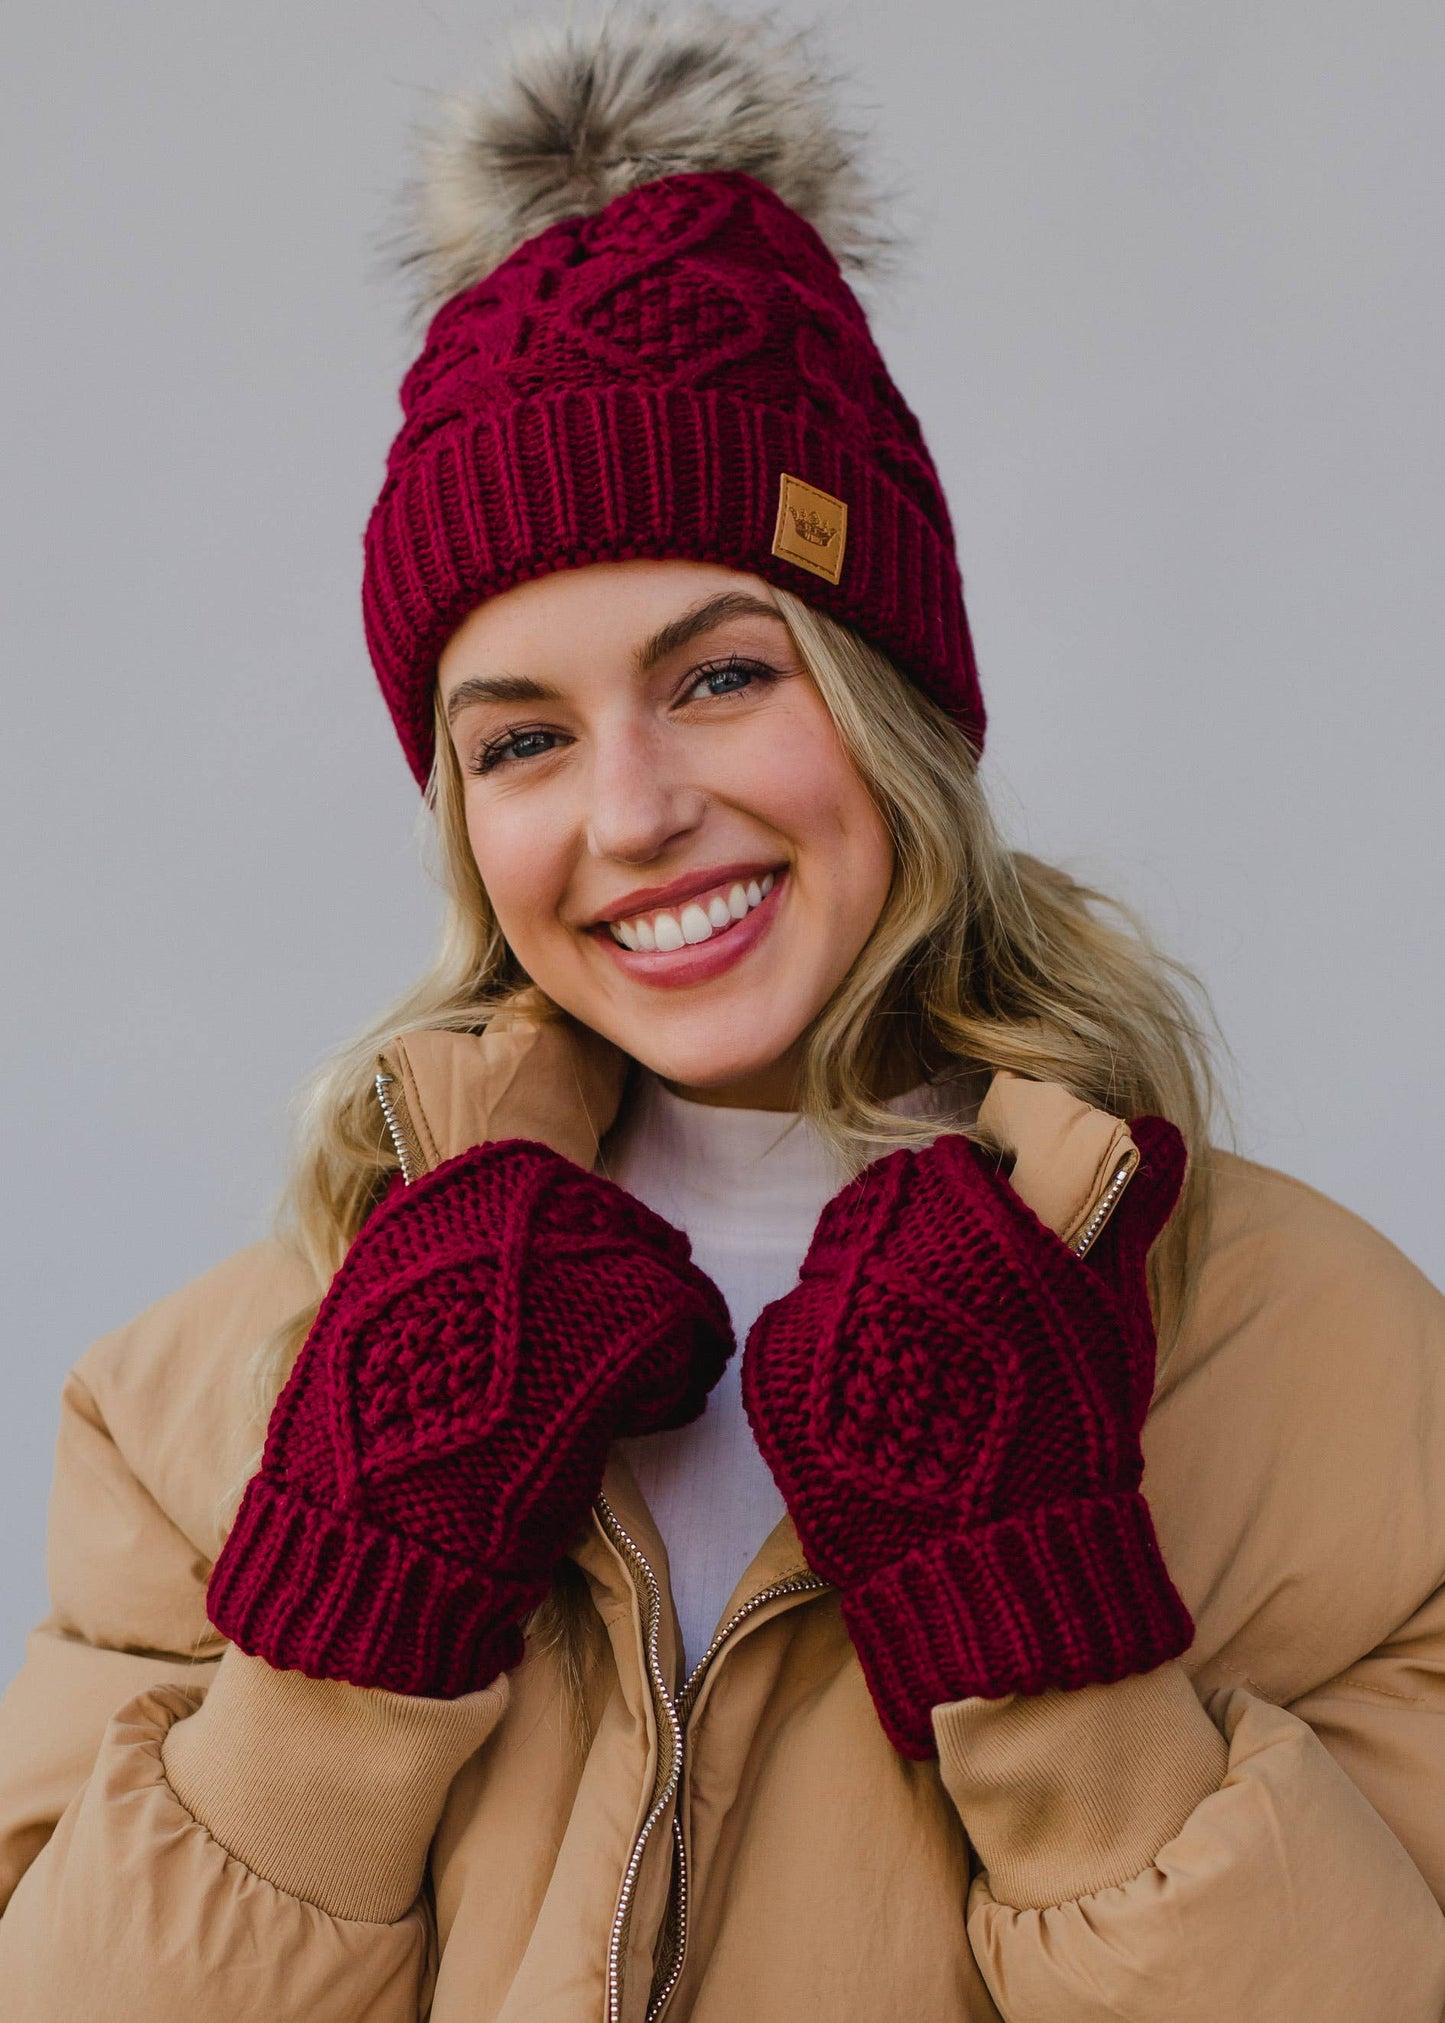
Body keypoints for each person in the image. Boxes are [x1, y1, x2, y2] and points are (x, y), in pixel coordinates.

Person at [2, 9, 1443, 2019]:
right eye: (518, 738)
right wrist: (354, 1600)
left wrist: (1052, 1633)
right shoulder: (199, 1398)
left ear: (894, 694)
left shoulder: (1334, 1362)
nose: (630, 814)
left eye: (720, 677)